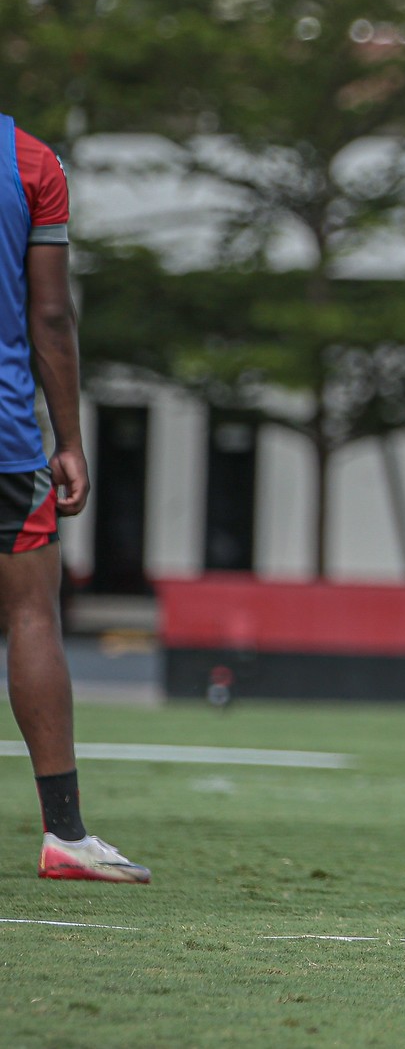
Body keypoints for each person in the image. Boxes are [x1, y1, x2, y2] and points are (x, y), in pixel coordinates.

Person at [0, 113, 148, 883]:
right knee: (30, 613)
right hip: (5, 440)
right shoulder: (31, 160)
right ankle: (64, 833)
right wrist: (70, 438)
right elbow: (51, 313)